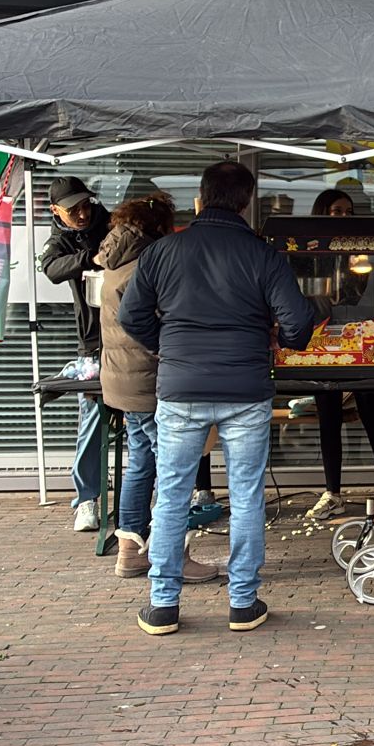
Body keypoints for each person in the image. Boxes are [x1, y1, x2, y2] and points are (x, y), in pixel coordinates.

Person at [119, 161, 318, 636]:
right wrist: (280, 338)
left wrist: (169, 346)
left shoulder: (163, 251)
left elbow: (130, 316)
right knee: (246, 495)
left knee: (171, 494)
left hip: (181, 388)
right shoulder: (263, 255)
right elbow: (298, 322)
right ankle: (243, 603)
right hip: (245, 388)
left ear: (201, 199)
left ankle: (163, 605)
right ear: (246, 202)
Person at [95, 194, 219, 584]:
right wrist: (170, 349)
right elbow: (162, 318)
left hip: (123, 381)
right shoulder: (148, 264)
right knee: (173, 469)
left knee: (142, 463)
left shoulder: (114, 259)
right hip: (152, 380)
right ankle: (174, 555)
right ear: (160, 227)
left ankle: (130, 551)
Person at [303, 188, 374, 520]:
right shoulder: (308, 250)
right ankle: (333, 493)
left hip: (361, 339)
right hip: (322, 341)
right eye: (337, 211)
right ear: (322, 213)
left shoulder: (361, 252)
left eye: (349, 212)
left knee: (370, 408)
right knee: (328, 415)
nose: (345, 217)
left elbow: (360, 296)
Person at [41, 175, 111, 533]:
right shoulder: (60, 241)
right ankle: (87, 499)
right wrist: (88, 258)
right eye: (73, 210)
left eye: (86, 205)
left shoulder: (110, 222)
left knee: (148, 423)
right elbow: (51, 269)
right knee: (93, 421)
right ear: (56, 211)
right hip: (94, 344)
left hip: (135, 338)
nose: (83, 214)